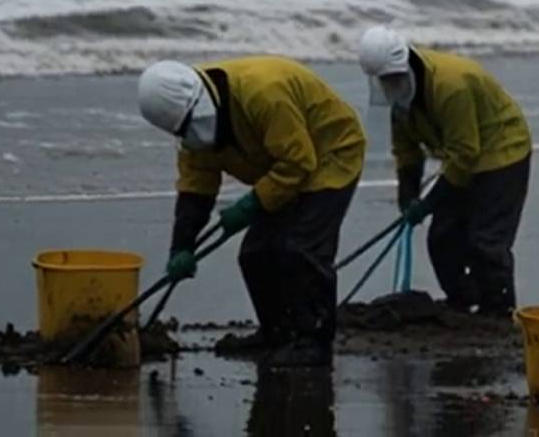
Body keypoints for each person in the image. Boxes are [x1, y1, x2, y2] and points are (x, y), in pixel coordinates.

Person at [136, 56, 366, 368]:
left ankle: (314, 342)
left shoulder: (264, 93)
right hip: (281, 167)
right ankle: (276, 332)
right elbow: (196, 188)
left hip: (330, 153)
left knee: (302, 249)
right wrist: (182, 245)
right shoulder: (189, 138)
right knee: (256, 253)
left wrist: (252, 204)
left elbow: (299, 162)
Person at [357, 26, 532, 316]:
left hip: (502, 152)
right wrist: (408, 197)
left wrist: (428, 204)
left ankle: (498, 310)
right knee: (442, 237)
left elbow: (465, 152)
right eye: (384, 81)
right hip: (461, 155)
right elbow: (407, 152)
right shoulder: (401, 102)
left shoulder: (451, 86)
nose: (391, 86)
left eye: (394, 79)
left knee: (485, 241)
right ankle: (463, 300)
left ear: (407, 65)